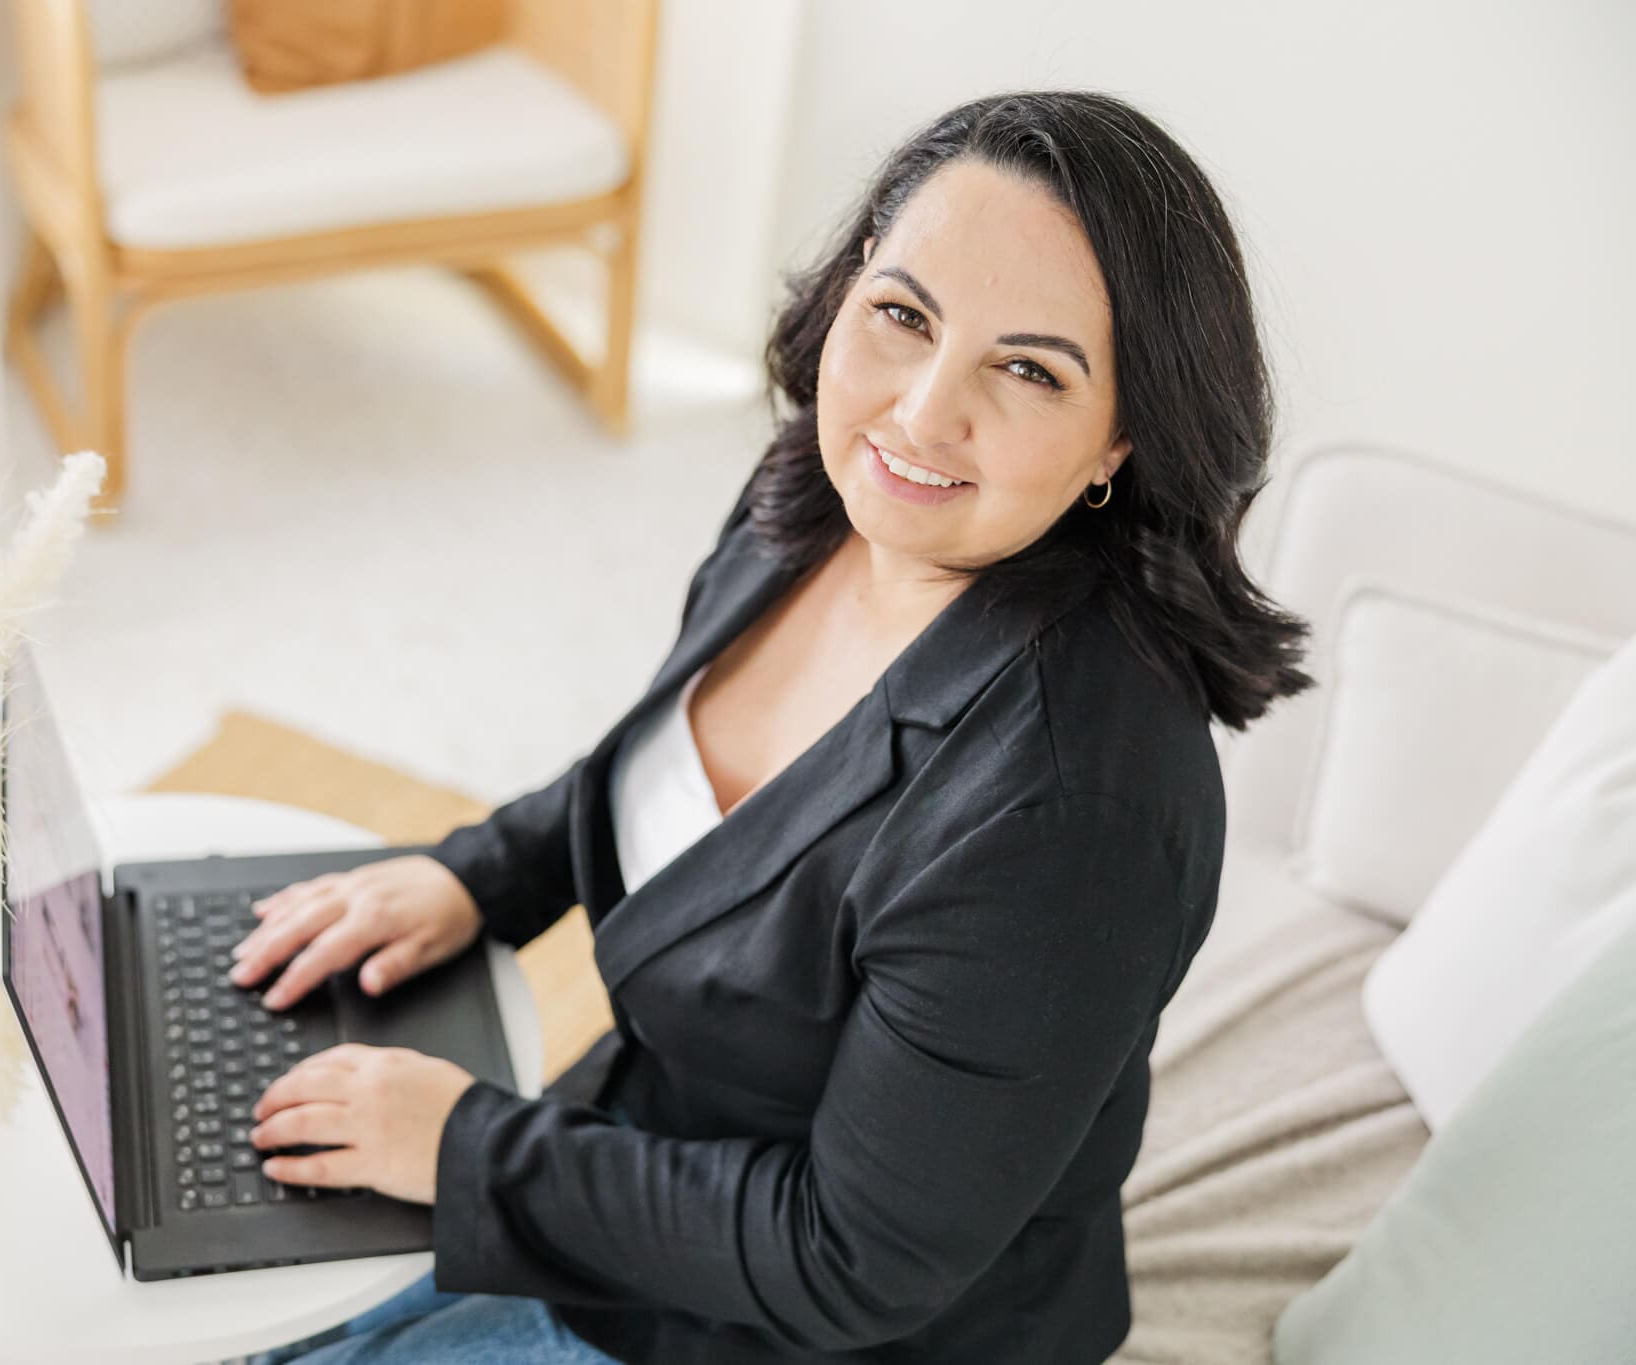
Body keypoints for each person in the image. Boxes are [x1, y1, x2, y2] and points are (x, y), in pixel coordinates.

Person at [224, 88, 1316, 1364]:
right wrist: (478, 877)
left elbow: (849, 1263)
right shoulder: (813, 493)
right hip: (630, 1162)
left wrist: (460, 1145)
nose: (918, 414)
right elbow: (675, 772)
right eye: (903, 316)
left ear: (1119, 439)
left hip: (797, 1329)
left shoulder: (1066, 815)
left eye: (1027, 369)